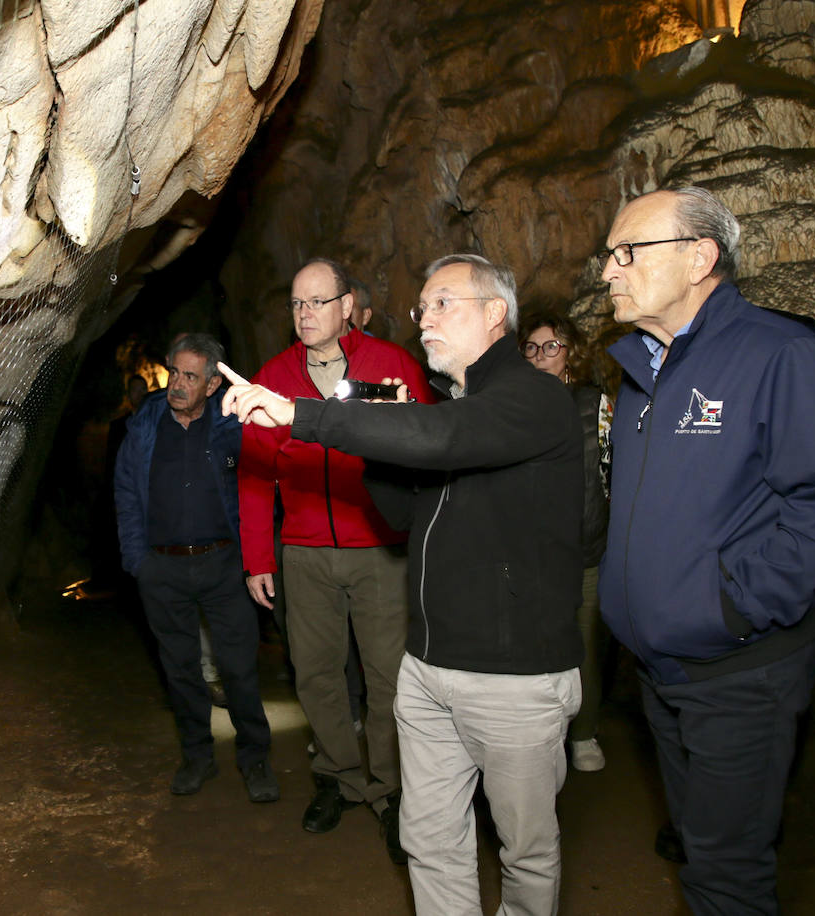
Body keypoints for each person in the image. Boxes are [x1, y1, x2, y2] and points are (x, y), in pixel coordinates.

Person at [221, 253, 584, 916]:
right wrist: (379, 438)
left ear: (495, 313)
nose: (424, 321)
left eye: (443, 303)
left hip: (511, 675)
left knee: (524, 850)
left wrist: (307, 417)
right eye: (422, 308)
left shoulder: (534, 398)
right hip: (428, 668)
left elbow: (441, 439)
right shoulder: (452, 406)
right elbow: (403, 511)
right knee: (432, 841)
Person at [597, 186, 815, 915]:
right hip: (663, 670)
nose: (608, 271)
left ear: (699, 257)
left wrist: (731, 606)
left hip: (740, 672)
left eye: (627, 252)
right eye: (607, 256)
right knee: (698, 846)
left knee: (726, 876)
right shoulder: (643, 370)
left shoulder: (782, 355)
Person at [236, 257, 433, 862]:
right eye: (297, 304)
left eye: (318, 302)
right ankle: (341, 776)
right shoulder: (273, 376)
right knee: (316, 672)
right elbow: (253, 474)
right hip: (305, 551)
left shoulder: (391, 366)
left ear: (347, 306)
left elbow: (426, 448)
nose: (305, 314)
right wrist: (257, 557)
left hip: (377, 545)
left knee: (388, 677)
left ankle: (392, 787)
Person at [113, 333, 278, 803]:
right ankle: (197, 757)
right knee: (180, 670)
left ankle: (256, 758)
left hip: (225, 565)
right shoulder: (144, 426)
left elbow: (258, 485)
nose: (178, 385)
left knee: (239, 667)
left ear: (211, 385)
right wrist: (137, 561)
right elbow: (125, 491)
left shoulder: (233, 424)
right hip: (162, 569)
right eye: (175, 373)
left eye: (190, 377)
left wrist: (255, 559)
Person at [520, 310, 613, 772]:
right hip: (530, 556)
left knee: (585, 648)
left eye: (551, 347)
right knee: (536, 652)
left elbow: (612, 472)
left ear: (570, 354)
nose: (541, 356)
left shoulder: (594, 403)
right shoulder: (512, 404)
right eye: (532, 348)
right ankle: (544, 737)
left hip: (586, 551)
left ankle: (585, 732)